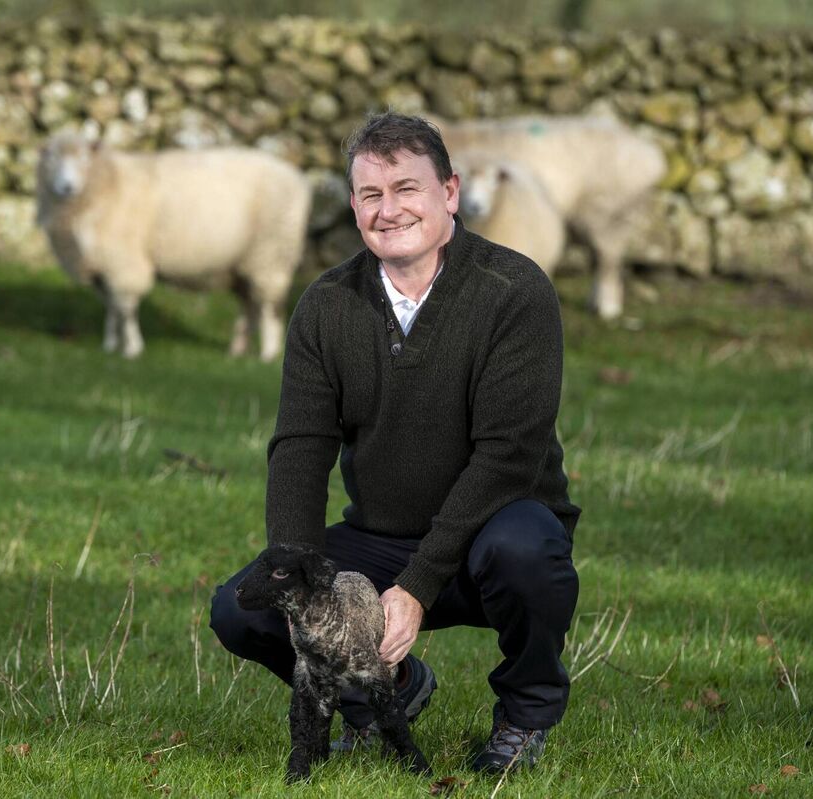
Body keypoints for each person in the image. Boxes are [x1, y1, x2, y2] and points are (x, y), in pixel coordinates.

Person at [210, 111, 580, 774]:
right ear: (353, 205)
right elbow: (300, 447)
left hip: (495, 527)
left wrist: (417, 583)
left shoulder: (516, 291)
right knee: (243, 612)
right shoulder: (326, 305)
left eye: (407, 188)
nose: (389, 210)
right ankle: (388, 693)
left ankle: (526, 711)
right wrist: (298, 582)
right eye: (371, 195)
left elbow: (509, 456)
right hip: (380, 532)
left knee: (528, 550)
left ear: (449, 192)